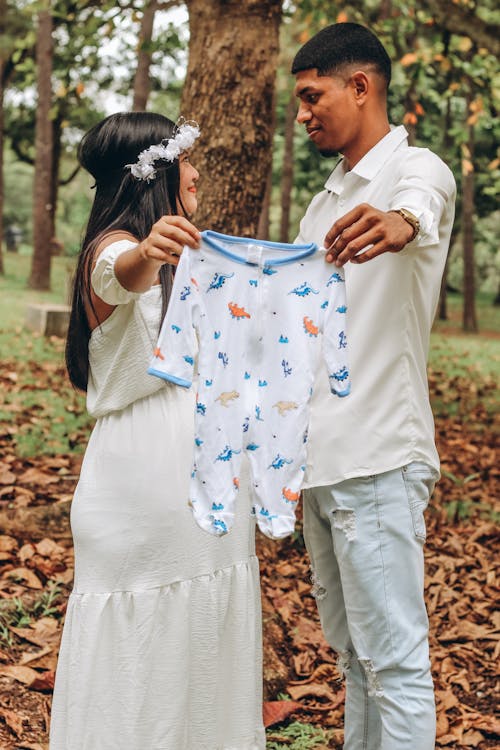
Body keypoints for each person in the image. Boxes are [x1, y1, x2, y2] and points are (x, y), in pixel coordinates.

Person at [50, 112, 265, 750]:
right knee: (140, 642)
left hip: (212, 487)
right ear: (152, 174)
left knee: (201, 641)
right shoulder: (111, 250)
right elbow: (119, 275)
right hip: (143, 480)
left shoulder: (194, 261)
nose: (196, 172)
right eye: (185, 161)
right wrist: (148, 252)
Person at [291, 23, 456, 750]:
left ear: (360, 87)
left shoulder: (417, 170)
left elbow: (422, 204)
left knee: (396, 662)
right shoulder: (321, 205)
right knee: (355, 661)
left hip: (381, 457)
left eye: (312, 95)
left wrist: (400, 220)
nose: (303, 114)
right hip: (320, 463)